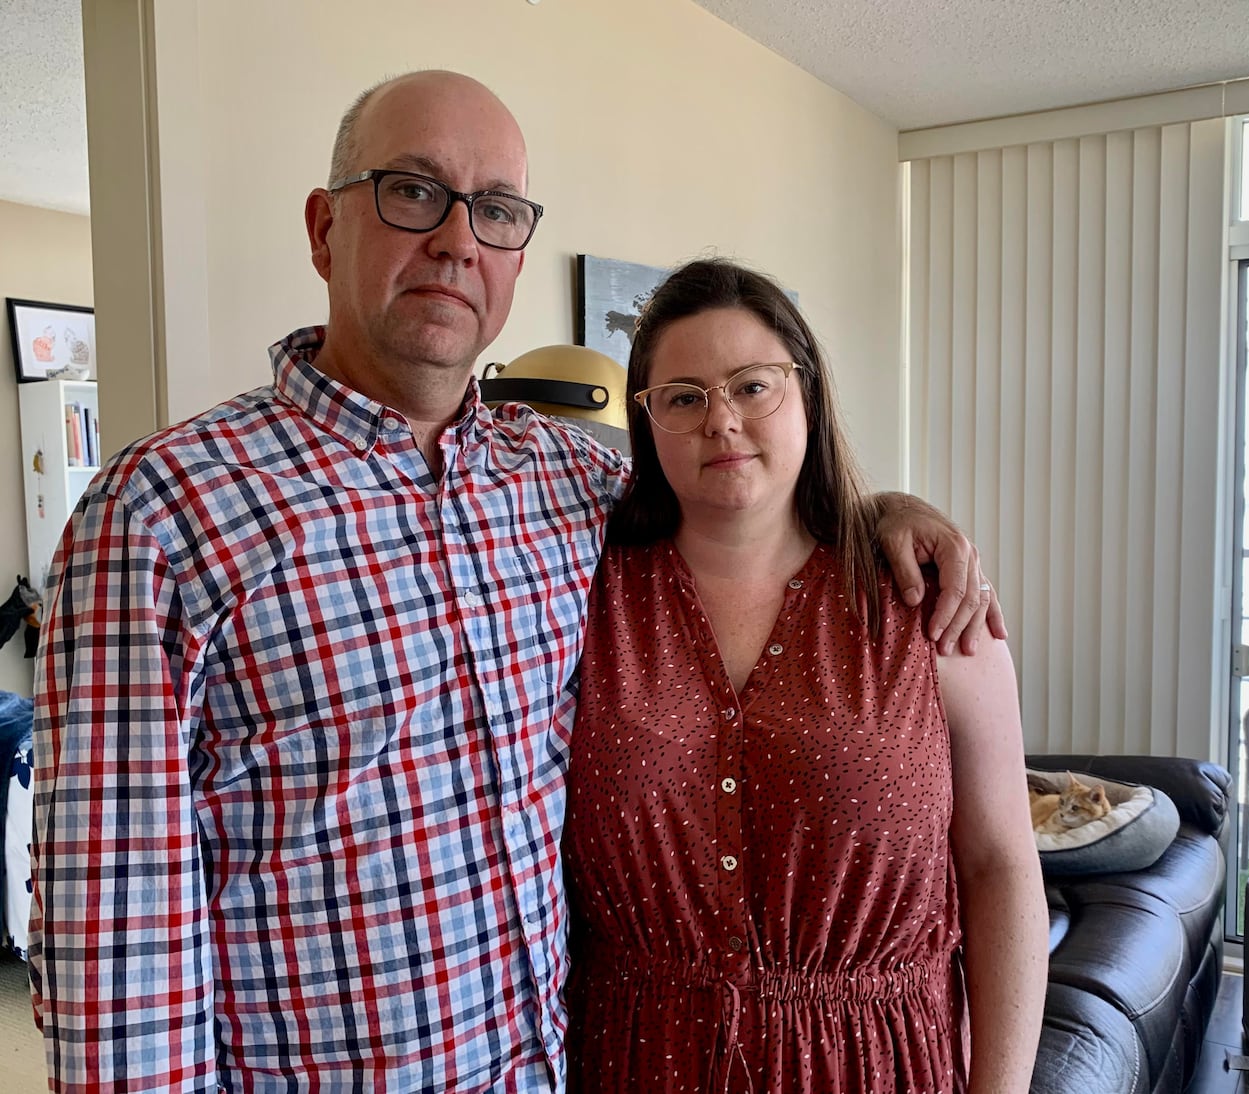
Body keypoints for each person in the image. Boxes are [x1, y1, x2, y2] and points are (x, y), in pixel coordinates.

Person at [28, 72, 999, 1094]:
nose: (455, 240)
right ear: (323, 229)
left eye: (494, 211)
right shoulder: (161, 512)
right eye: (411, 191)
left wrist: (883, 516)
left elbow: (739, 495)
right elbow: (114, 951)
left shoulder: (570, 482)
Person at [562, 258, 1047, 1093]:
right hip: (635, 1060)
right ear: (646, 426)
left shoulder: (924, 603)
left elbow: (1000, 866)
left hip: (879, 1064)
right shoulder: (573, 594)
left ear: (808, 396)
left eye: (753, 386)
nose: (722, 421)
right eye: (683, 397)